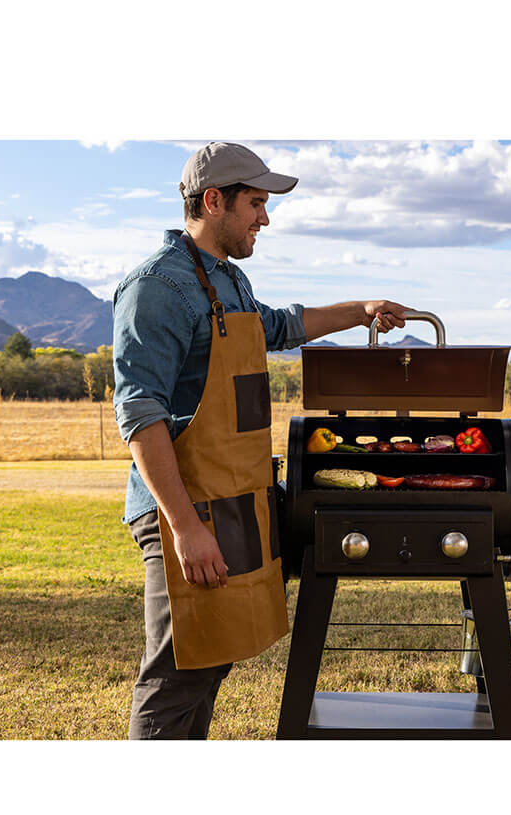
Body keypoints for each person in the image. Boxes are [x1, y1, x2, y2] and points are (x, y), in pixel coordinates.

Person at [112, 141, 408, 740]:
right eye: (256, 204)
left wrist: (360, 309)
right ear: (213, 200)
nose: (264, 219)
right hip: (186, 506)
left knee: (213, 658)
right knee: (177, 669)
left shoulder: (226, 281)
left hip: (235, 499)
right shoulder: (156, 288)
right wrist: (185, 527)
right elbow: (140, 414)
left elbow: (282, 326)